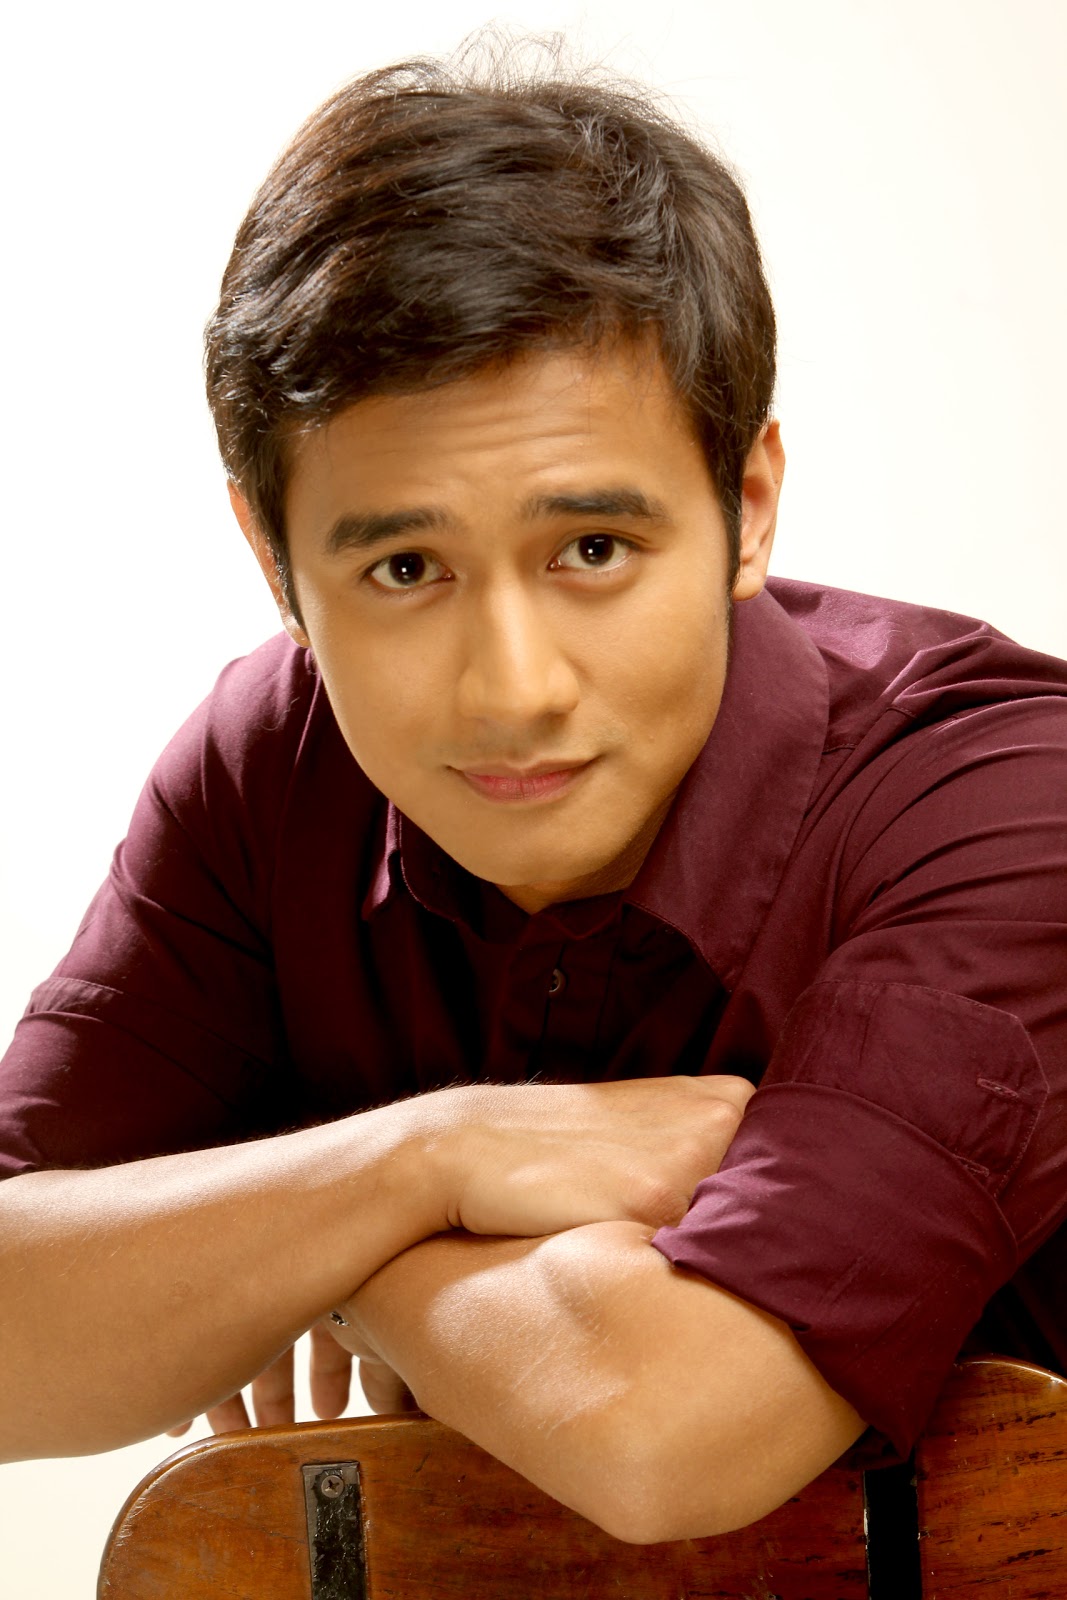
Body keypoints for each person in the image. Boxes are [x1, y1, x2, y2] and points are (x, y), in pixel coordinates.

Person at [1, 47, 1065, 1544]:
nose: (513, 688)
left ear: (748, 506)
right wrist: (432, 1156)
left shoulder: (1007, 799)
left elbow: (672, 1432)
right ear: (272, 561)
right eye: (405, 568)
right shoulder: (268, 764)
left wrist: (315, 1252)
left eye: (592, 551)